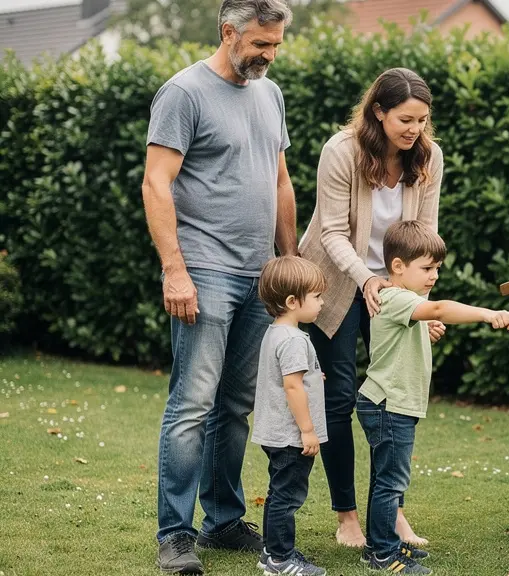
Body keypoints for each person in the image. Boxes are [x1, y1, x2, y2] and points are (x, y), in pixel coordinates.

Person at [141, 0, 297, 572]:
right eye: (260, 43)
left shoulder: (269, 94)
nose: (269, 55)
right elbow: (157, 183)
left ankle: (223, 521)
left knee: (233, 406)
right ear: (228, 31)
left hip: (258, 275)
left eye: (276, 44)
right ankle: (175, 534)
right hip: (203, 270)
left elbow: (280, 180)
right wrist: (175, 270)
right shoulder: (183, 93)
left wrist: (290, 259)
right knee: (191, 404)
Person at [299, 67, 444, 548]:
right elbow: (331, 232)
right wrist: (367, 281)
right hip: (337, 281)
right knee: (339, 399)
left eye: (422, 120)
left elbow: (425, 238)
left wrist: (421, 308)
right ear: (378, 112)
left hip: (396, 289)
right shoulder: (341, 152)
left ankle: (392, 511)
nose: (415, 130)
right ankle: (347, 517)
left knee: (396, 399)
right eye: (405, 119)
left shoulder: (428, 158)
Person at [359, 220, 509, 574]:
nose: (434, 276)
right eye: (427, 268)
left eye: (437, 269)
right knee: (391, 481)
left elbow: (415, 327)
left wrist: (423, 332)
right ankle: (384, 553)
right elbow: (438, 308)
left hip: (389, 402)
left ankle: (378, 543)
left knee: (385, 478)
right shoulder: (395, 296)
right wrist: (487, 314)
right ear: (398, 266)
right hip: (390, 403)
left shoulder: (404, 301)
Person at [252, 256, 329, 576]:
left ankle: (271, 551)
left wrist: (313, 376)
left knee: (277, 491)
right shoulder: (296, 339)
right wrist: (307, 431)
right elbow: (292, 387)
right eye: (317, 297)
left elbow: (292, 377)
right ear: (292, 301)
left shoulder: (276, 334)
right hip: (291, 434)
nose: (322, 303)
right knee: (288, 495)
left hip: (274, 431)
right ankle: (281, 561)